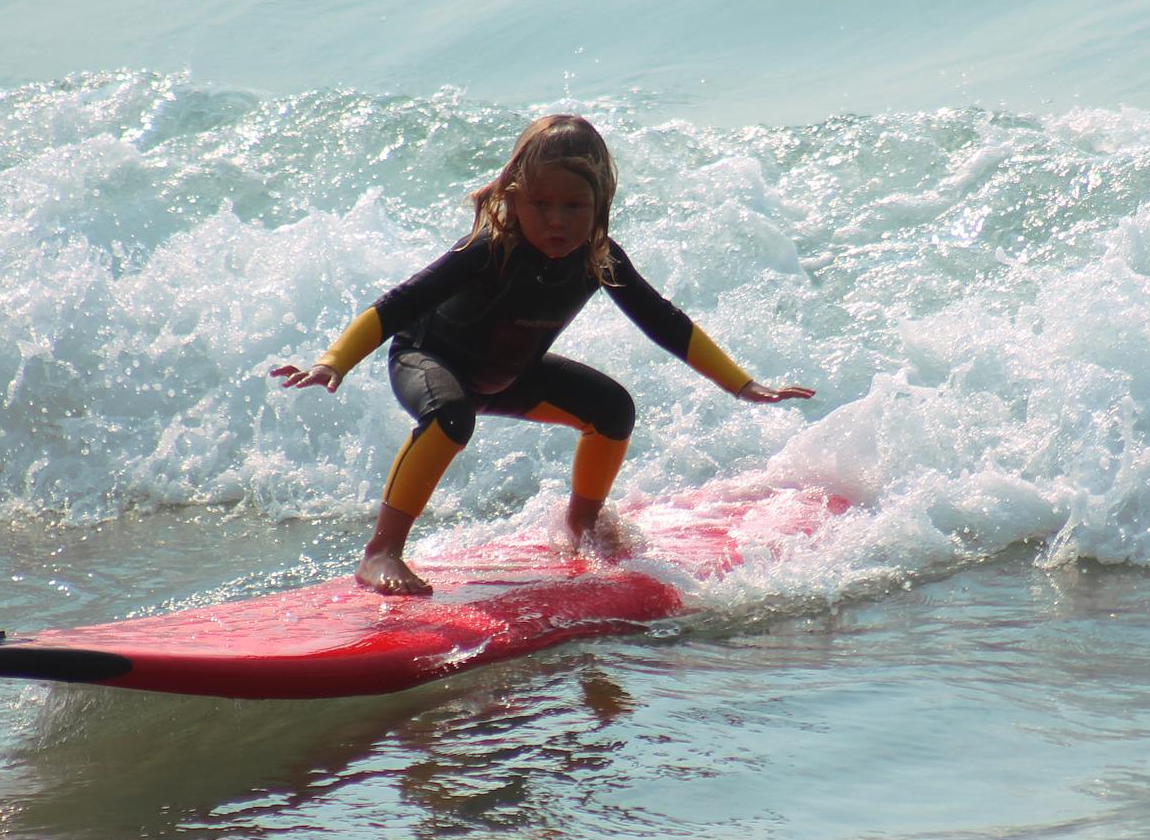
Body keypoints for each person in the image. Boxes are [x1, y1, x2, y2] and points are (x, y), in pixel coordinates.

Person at [270, 114, 815, 595]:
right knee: (450, 418)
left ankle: (581, 527)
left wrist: (741, 384)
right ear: (512, 197)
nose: (556, 221)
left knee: (612, 410)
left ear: (600, 204)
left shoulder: (600, 259)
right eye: (540, 204)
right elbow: (396, 307)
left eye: (574, 206)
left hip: (509, 377)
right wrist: (333, 362)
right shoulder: (486, 251)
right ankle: (381, 551)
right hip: (429, 362)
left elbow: (665, 322)